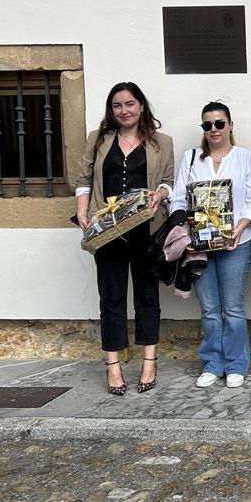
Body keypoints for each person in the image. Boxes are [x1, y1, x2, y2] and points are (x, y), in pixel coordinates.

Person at [75, 82, 174, 396]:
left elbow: (170, 181)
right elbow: (83, 178)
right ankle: (113, 365)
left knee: (147, 297)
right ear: (111, 110)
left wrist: (161, 193)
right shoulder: (98, 140)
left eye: (130, 104)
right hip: (108, 231)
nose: (124, 110)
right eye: (117, 105)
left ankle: (149, 361)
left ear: (141, 106)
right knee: (112, 298)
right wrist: (82, 213)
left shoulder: (163, 143)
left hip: (145, 229)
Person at [169, 101, 251, 389]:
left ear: (230, 125)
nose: (214, 129)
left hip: (237, 242)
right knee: (209, 307)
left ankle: (236, 363)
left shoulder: (245, 158)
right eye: (207, 125)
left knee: (232, 306)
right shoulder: (191, 158)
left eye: (219, 123)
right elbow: (178, 199)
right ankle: (212, 363)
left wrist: (239, 229)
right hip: (200, 246)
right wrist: (190, 232)